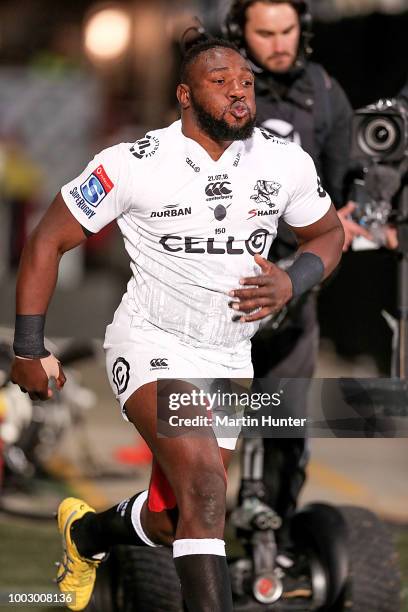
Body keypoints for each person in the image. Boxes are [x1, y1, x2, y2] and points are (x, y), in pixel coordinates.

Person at [10, 39, 343, 611]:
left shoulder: (284, 161)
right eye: (222, 80)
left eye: (247, 81)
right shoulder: (131, 163)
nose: (240, 90)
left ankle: (86, 536)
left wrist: (294, 279)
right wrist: (27, 348)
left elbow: (328, 235)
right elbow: (47, 240)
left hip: (230, 357)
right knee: (208, 492)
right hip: (152, 342)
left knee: (176, 519)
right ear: (186, 96)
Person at [224, 0, 367, 547]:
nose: (279, 42)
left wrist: (353, 219)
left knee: (284, 424)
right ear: (241, 31)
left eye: (288, 30)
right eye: (265, 33)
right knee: (196, 424)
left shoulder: (326, 93)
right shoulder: (220, 82)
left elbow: (348, 182)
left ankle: (274, 545)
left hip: (295, 287)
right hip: (220, 284)